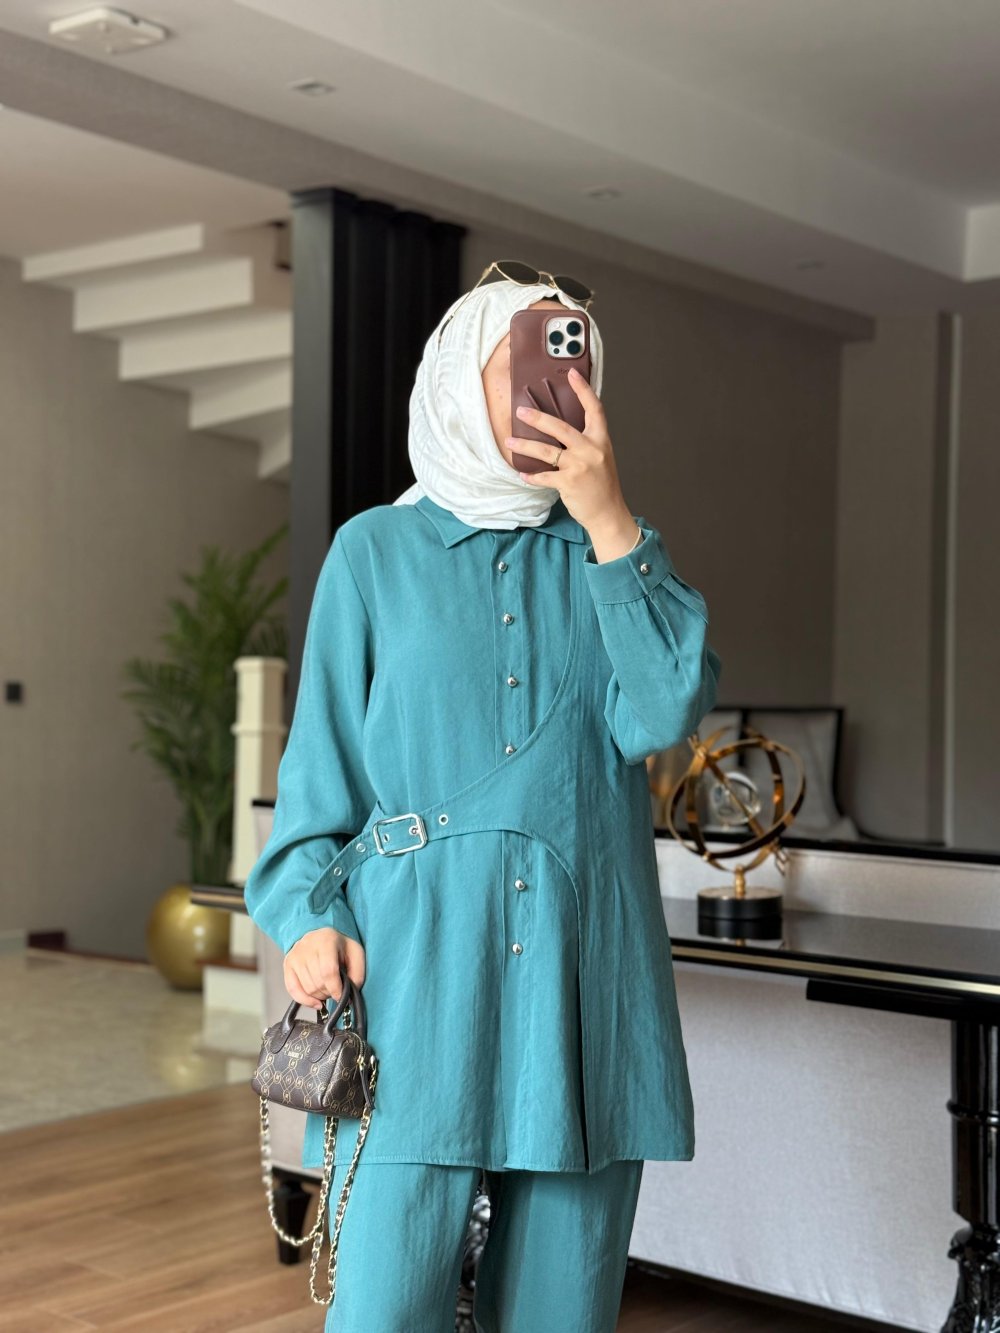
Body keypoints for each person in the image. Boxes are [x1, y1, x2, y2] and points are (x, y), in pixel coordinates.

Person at [243, 268, 722, 1332]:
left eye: (573, 364)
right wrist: (308, 919)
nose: (553, 389)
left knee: (562, 1311)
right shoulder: (372, 554)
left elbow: (663, 712)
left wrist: (609, 517)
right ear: (461, 376)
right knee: (384, 1308)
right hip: (413, 986)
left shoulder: (611, 555)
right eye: (525, 363)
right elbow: (317, 783)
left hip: (583, 989)